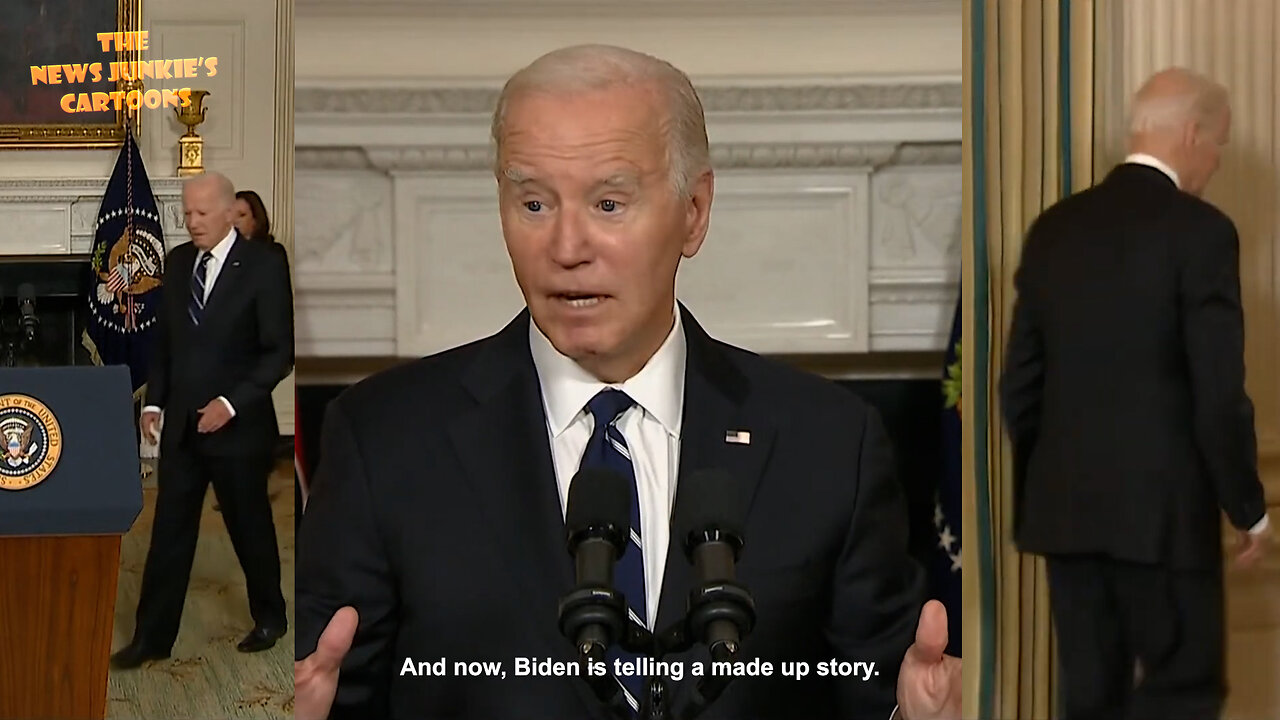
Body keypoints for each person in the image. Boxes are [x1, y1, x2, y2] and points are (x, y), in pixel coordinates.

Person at [295, 45, 960, 720]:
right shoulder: (383, 440)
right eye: (532, 203)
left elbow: (878, 693)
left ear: (694, 211)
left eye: (609, 204)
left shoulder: (828, 444)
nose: (566, 247)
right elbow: (334, 686)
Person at [1000, 67, 1273, 720]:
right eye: (1220, 143)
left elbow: (1020, 389)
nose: (1216, 159)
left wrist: (1059, 481)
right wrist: (1248, 507)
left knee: (1090, 700)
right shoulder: (1202, 232)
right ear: (1190, 133)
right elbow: (1218, 395)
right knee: (1183, 694)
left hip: (1065, 519)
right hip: (1165, 522)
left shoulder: (1054, 229)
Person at [111, 172, 295, 668]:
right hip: (182, 432)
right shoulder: (176, 263)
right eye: (186, 213)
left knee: (249, 527)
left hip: (237, 430)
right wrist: (154, 402)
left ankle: (270, 616)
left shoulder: (263, 264)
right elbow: (167, 345)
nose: (191, 222)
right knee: (169, 531)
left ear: (229, 209)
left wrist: (230, 403)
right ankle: (152, 639)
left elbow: (279, 353)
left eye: (201, 213)